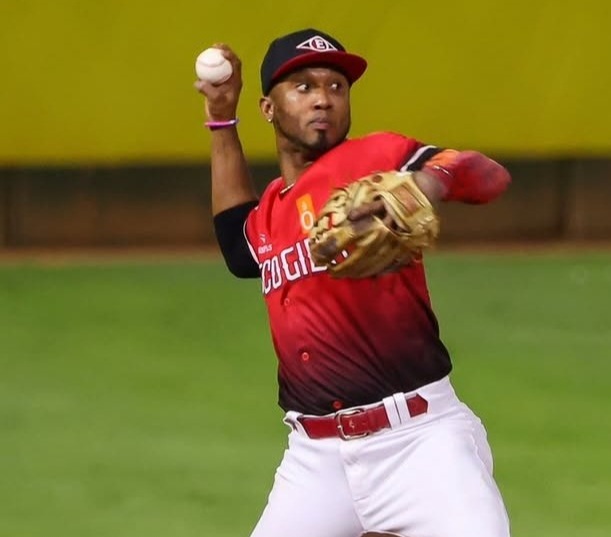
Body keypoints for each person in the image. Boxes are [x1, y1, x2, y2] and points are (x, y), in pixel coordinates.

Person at [194, 28, 512, 537]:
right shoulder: (271, 209)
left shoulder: (374, 158)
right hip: (315, 463)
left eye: (336, 87)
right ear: (268, 108)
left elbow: (487, 173)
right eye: (304, 86)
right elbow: (237, 246)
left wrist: (425, 183)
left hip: (419, 444)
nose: (323, 98)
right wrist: (220, 118)